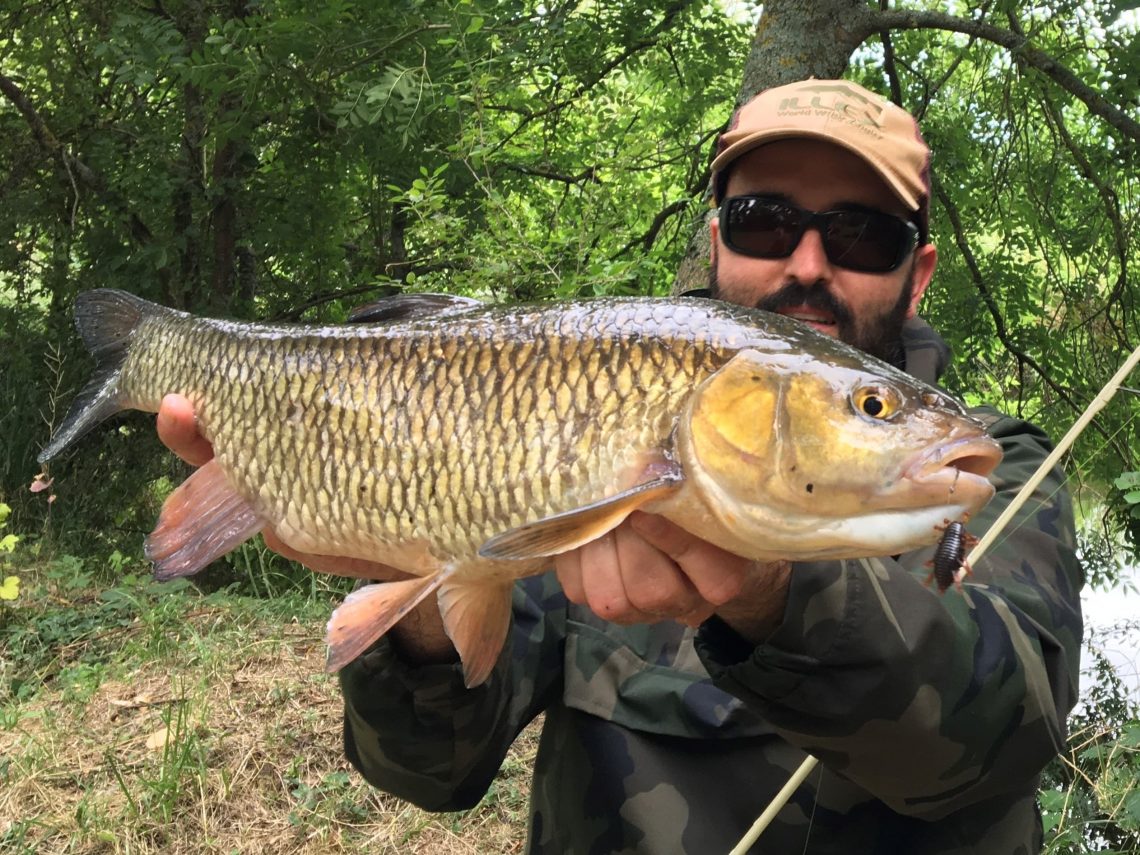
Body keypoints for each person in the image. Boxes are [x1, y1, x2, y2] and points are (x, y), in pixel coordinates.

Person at [158, 79, 1084, 853]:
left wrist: (769, 593)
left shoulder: (994, 469)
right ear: (719, 239)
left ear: (916, 272)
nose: (807, 263)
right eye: (764, 221)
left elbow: (1001, 743)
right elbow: (430, 771)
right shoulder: (584, 420)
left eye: (861, 235)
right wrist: (424, 600)